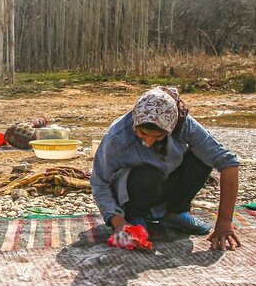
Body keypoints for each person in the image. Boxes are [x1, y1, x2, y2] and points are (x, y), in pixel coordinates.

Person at [90, 87, 241, 251]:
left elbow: (228, 163)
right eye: (142, 134)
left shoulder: (183, 124)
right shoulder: (117, 136)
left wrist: (225, 222)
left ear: (171, 128)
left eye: (158, 137)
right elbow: (100, 183)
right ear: (135, 123)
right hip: (135, 191)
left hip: (166, 182)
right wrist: (119, 223)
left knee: (202, 158)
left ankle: (174, 213)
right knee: (147, 173)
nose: (148, 142)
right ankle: (136, 216)